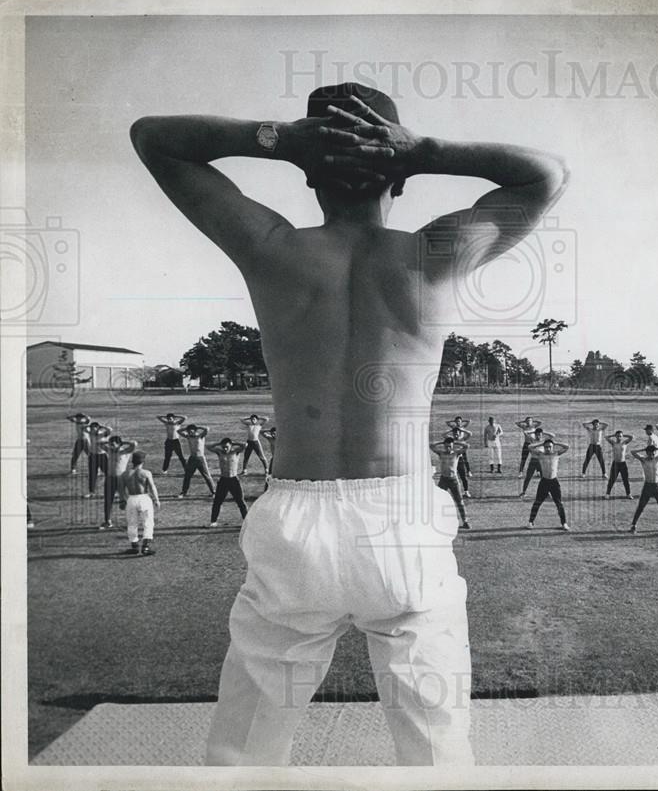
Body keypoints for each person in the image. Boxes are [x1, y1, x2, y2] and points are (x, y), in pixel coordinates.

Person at [133, 80, 567, 765]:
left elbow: (152, 138)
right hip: (400, 519)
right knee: (438, 752)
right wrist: (424, 150)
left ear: (307, 177)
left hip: (296, 521)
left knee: (243, 755)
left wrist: (272, 139)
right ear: (399, 174)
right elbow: (545, 176)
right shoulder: (432, 253)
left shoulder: (272, 247)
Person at [628, 445, 658, 533]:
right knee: (641, 506)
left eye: (653, 453)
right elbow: (632, 452)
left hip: (657, 485)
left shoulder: (657, 458)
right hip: (647, 486)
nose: (652, 455)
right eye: (650, 453)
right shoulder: (643, 459)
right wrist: (644, 448)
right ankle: (633, 525)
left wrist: (657, 448)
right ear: (647, 453)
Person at [119, 451, 161, 555]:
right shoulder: (146, 473)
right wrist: (156, 499)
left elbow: (121, 490)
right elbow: (152, 487)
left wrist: (122, 500)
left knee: (132, 523)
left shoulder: (125, 474)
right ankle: (145, 547)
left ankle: (134, 546)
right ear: (143, 461)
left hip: (131, 499)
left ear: (132, 462)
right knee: (148, 522)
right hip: (144, 499)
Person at [526, 439, 570, 530]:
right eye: (546, 447)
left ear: (552, 447)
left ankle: (564, 523)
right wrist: (541, 443)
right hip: (544, 482)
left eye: (550, 447)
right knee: (537, 502)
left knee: (559, 503)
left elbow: (567, 446)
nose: (548, 448)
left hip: (554, 482)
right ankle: (531, 522)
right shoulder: (540, 455)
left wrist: (556, 442)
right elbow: (529, 447)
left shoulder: (556, 454)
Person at [207, 438, 249, 526]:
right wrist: (219, 443)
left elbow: (245, 445)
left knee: (240, 501)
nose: (225, 449)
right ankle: (213, 522)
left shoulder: (235, 452)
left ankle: (247, 522)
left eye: (226, 447)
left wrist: (234, 443)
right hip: (223, 480)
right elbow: (208, 447)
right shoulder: (219, 452)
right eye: (223, 447)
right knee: (217, 502)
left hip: (234, 479)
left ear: (231, 446)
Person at [99, 435, 138, 529]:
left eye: (113, 444)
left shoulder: (125, 452)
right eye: (110, 444)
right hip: (109, 478)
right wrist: (110, 443)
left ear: (119, 444)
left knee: (126, 502)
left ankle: (132, 522)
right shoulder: (109, 451)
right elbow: (99, 444)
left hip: (121, 479)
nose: (111, 446)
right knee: (108, 500)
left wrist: (122, 442)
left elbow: (134, 444)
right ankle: (107, 521)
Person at [430, 437, 469, 528]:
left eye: (450, 446)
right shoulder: (441, 453)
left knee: (459, 501)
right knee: (438, 500)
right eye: (446, 446)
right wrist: (441, 442)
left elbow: (467, 446)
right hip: (443, 480)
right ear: (444, 446)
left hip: (453, 480)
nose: (448, 448)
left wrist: (455, 442)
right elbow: (431, 446)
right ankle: (437, 521)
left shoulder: (456, 454)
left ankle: (465, 521)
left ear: (452, 446)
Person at [178, 423, 216, 498]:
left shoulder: (200, 436)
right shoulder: (188, 437)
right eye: (188, 431)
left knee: (206, 476)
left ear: (195, 430)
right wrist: (186, 429)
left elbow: (207, 429)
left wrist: (197, 427)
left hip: (200, 458)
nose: (190, 432)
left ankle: (213, 492)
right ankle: (183, 492)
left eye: (191, 431)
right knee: (187, 476)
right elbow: (178, 431)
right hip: (192, 458)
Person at [519, 426, 555, 497]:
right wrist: (534, 431)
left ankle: (546, 493)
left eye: (540, 434)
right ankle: (523, 492)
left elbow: (552, 435)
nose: (539, 436)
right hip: (533, 461)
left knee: (544, 478)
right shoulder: (532, 439)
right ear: (535, 434)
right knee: (528, 477)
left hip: (542, 461)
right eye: (537, 434)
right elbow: (525, 432)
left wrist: (543, 431)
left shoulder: (544, 441)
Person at [444, 421, 473, 498]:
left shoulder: (462, 439)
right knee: (451, 477)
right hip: (452, 460)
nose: (456, 435)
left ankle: (466, 491)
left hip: (459, 460)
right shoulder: (451, 439)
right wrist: (452, 429)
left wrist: (461, 429)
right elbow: (443, 435)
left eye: (457, 433)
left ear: (459, 433)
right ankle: (450, 492)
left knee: (463, 476)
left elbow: (470, 434)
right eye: (455, 433)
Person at [83, 421, 111, 498]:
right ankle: (91, 492)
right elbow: (84, 429)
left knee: (108, 474)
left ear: (98, 428)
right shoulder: (91, 434)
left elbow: (110, 430)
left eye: (94, 428)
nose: (93, 429)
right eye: (92, 428)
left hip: (102, 456)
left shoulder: (102, 434)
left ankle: (111, 490)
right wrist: (90, 425)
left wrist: (101, 426)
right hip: (93, 456)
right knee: (92, 474)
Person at [604, 430, 634, 499]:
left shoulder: (624, 443)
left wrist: (623, 434)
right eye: (617, 436)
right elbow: (606, 437)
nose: (619, 437)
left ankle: (628, 494)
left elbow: (631, 437)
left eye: (620, 436)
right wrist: (613, 435)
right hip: (615, 464)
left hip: (623, 463)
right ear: (615, 436)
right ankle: (607, 494)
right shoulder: (613, 443)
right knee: (612, 479)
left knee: (625, 480)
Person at [260, 425, 277, 491]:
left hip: (281, 460)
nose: (273, 435)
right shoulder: (270, 439)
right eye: (272, 434)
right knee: (270, 475)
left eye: (275, 434)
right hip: (274, 459)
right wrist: (269, 430)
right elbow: (261, 432)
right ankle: (267, 490)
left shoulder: (282, 440)